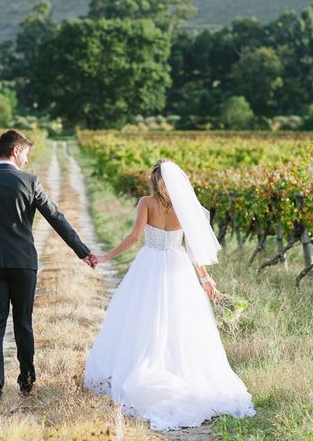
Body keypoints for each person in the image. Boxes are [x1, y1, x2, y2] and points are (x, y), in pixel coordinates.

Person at [84, 159, 256, 431]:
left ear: (155, 181)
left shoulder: (146, 203)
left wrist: (106, 257)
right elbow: (193, 249)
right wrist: (205, 278)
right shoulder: (185, 208)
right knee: (177, 320)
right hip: (177, 267)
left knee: (147, 318)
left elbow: (133, 238)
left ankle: (150, 368)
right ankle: (172, 369)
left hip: (150, 265)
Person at [0, 130, 98, 409]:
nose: (26, 159)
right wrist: (82, 251)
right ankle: (26, 381)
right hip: (23, 264)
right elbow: (56, 217)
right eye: (25, 153)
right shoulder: (30, 182)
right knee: (23, 322)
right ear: (14, 151)